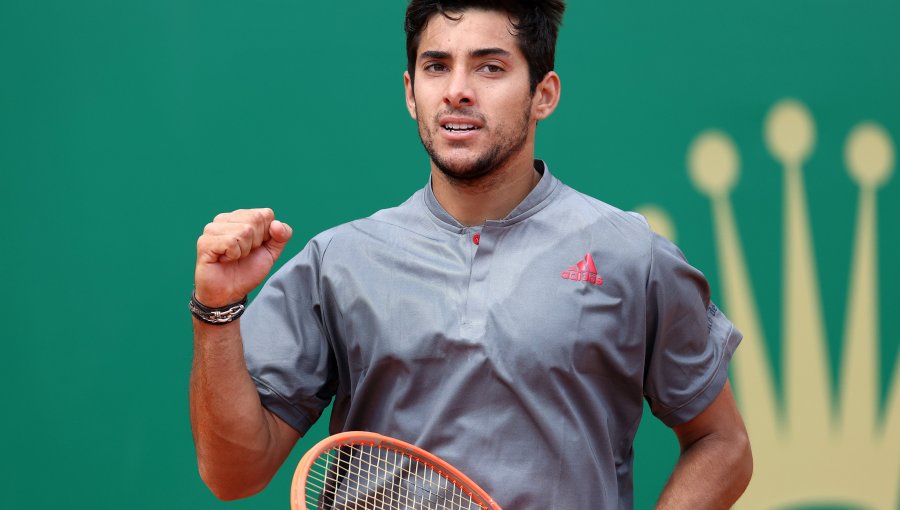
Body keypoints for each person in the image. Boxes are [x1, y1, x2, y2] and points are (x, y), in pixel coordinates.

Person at [189, 1, 753, 508]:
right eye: (437, 67)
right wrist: (217, 310)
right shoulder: (337, 261)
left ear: (544, 94)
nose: (457, 90)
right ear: (411, 93)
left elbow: (721, 442)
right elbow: (234, 475)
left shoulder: (632, 254)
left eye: (490, 67)